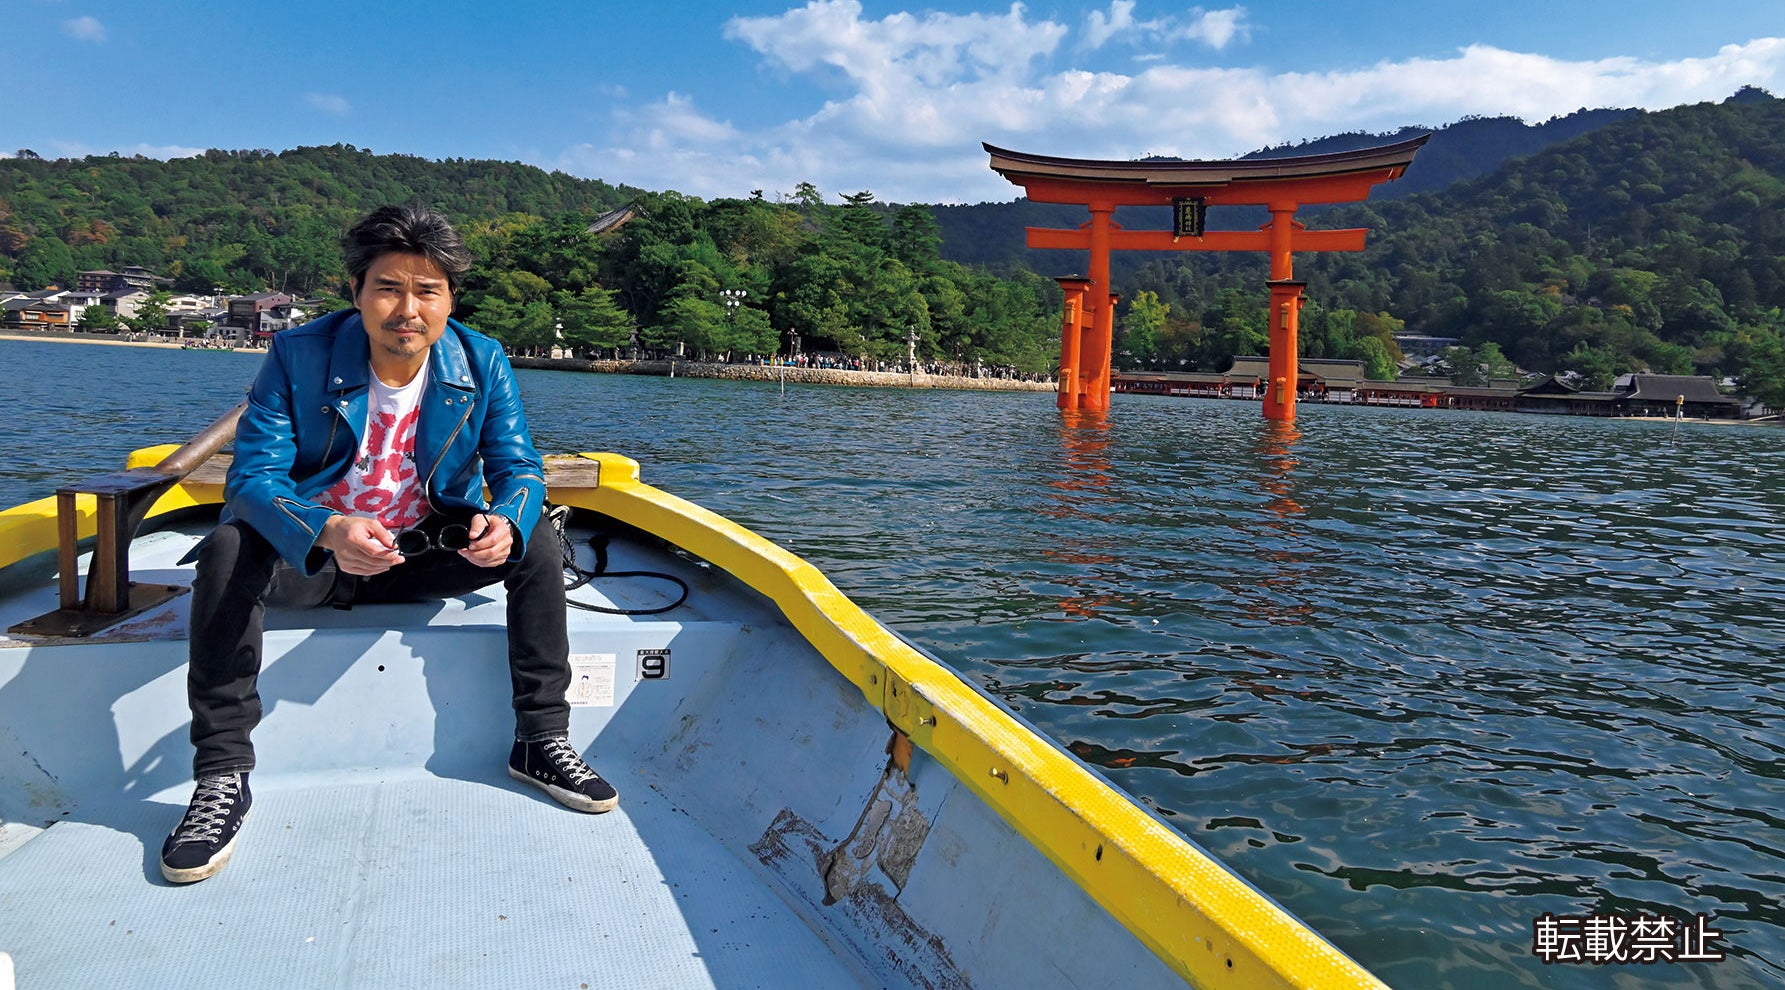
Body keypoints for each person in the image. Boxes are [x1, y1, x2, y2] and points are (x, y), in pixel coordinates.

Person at [160, 205, 617, 885]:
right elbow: (253, 479)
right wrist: (327, 529)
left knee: (538, 542)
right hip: (314, 560)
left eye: (427, 290)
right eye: (388, 288)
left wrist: (506, 523)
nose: (408, 308)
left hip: (417, 558)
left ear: (449, 300)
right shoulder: (296, 355)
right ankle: (221, 777)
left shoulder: (481, 360)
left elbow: (517, 469)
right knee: (229, 548)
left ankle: (541, 739)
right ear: (357, 293)